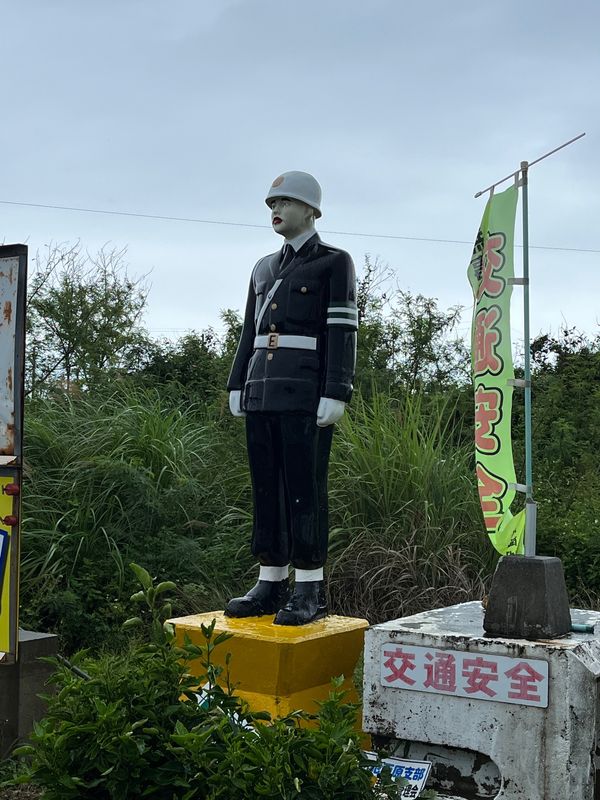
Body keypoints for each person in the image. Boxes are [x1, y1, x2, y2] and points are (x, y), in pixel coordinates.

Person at [225, 171, 357, 625]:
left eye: (284, 202)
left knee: (305, 489)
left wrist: (336, 388)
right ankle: (269, 579)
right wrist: (237, 381)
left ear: (311, 210)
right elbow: (250, 330)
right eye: (271, 204)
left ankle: (308, 588)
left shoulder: (333, 262)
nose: (275, 211)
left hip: (305, 392)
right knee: (265, 488)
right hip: (262, 390)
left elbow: (342, 328)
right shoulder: (263, 267)